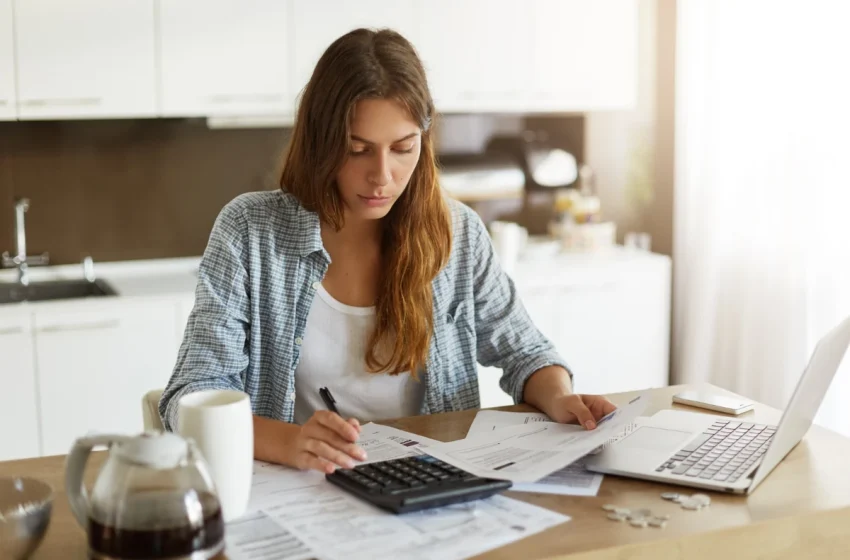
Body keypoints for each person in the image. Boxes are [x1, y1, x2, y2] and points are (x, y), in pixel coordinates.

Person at [159, 28, 616, 474]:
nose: (382, 175)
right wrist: (290, 441)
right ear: (321, 143)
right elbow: (189, 397)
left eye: (402, 148)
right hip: (302, 488)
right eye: (358, 149)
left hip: (430, 484)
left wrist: (559, 396)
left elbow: (526, 353)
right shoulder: (249, 232)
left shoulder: (457, 235)